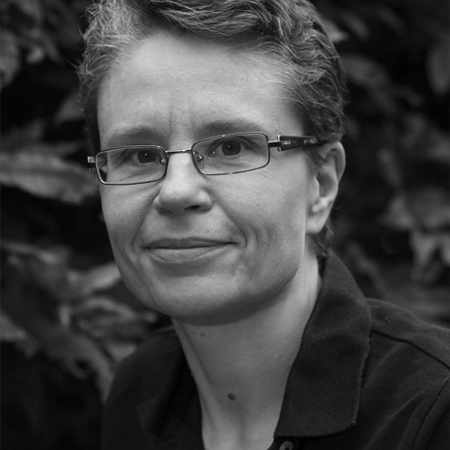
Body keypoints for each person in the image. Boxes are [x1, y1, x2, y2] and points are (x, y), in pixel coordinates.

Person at [78, 1, 450, 449]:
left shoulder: (432, 413)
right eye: (138, 155)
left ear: (321, 184)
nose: (176, 191)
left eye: (231, 147)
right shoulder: (139, 390)